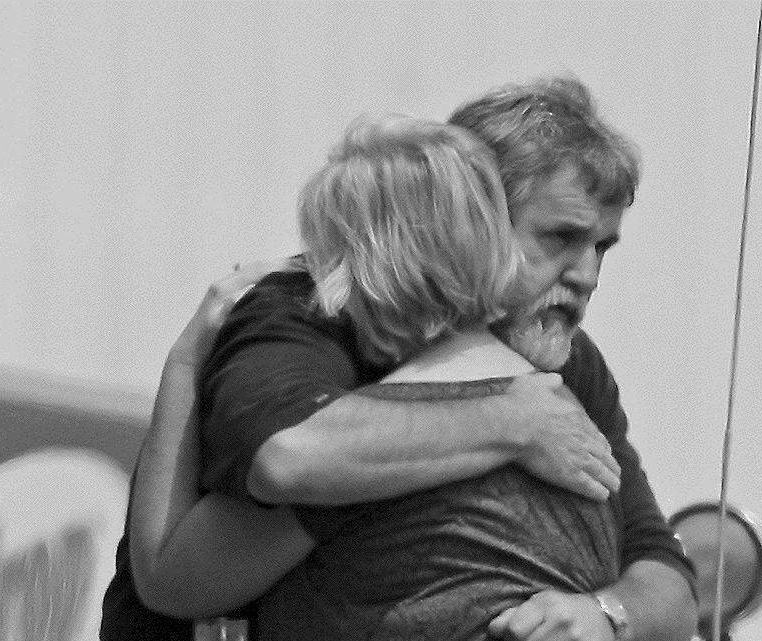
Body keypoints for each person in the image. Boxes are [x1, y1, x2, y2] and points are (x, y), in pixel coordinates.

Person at [103, 77, 696, 641]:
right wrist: (510, 421)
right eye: (560, 238)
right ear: (474, 216)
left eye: (603, 246)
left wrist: (605, 615)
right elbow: (284, 466)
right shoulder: (307, 310)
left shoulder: (565, 364)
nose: (588, 275)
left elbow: (666, 576)